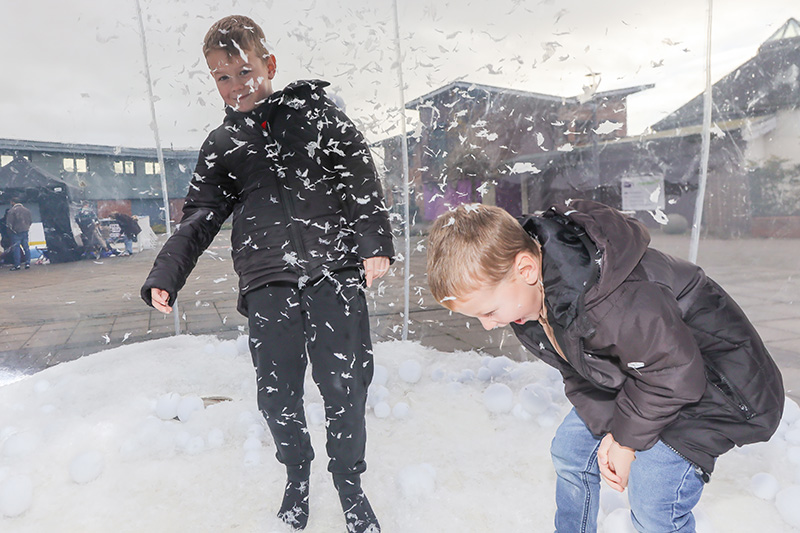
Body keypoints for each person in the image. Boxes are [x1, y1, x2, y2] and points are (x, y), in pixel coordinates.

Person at [140, 15, 393, 533]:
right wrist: (167, 271)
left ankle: (350, 485)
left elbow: (359, 175)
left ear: (269, 64)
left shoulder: (317, 115)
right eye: (221, 77)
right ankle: (297, 476)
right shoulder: (222, 143)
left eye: (243, 71)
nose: (235, 86)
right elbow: (200, 214)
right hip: (266, 281)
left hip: (334, 272)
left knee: (345, 386)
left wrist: (373, 243)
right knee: (277, 392)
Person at [426, 200, 784, 532]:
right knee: (570, 449)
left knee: (652, 492)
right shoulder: (528, 305)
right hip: (649, 374)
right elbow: (579, 372)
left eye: (488, 312)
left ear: (526, 268)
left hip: (719, 387)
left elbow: (675, 373)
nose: (489, 325)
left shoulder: (611, 300)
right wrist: (610, 431)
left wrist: (625, 441)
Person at [6, 198, 32, 271]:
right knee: (26, 247)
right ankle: (27, 263)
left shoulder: (11, 211)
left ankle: (17, 265)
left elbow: (9, 224)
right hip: (25, 231)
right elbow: (30, 221)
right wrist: (27, 228)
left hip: (16, 232)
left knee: (16, 249)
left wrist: (11, 232)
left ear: (13, 202)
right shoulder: (27, 210)